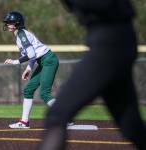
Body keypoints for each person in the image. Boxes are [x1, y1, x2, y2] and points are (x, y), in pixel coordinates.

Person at [39, 0, 146, 150]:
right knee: (132, 128)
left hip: (110, 42)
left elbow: (102, 5)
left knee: (57, 115)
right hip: (113, 40)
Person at [3, 11, 59, 129]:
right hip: (43, 61)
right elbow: (32, 55)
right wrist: (28, 68)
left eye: (11, 22)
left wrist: (15, 62)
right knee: (28, 90)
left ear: (18, 23)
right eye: (7, 22)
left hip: (49, 60)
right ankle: (24, 122)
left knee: (44, 93)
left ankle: (65, 117)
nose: (8, 24)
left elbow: (31, 53)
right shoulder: (19, 34)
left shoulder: (21, 34)